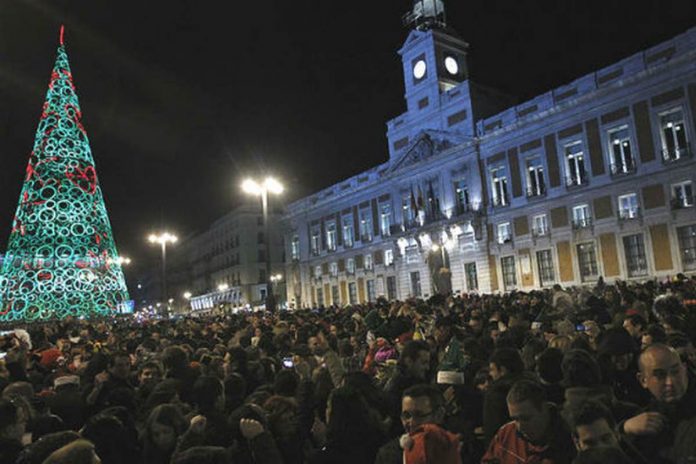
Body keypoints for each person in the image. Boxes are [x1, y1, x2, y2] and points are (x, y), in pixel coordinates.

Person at [619, 343, 696, 463]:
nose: (670, 382)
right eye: (660, 375)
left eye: (676, 372)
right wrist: (624, 430)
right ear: (643, 380)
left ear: (684, 369)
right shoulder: (641, 421)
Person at [482, 380, 576, 464]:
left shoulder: (570, 441)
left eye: (526, 418)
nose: (520, 427)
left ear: (544, 409)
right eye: (515, 419)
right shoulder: (506, 433)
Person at [483, 348, 526, 443]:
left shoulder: (496, 393)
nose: (490, 374)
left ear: (502, 370)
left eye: (492, 370)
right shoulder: (530, 384)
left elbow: (493, 427)